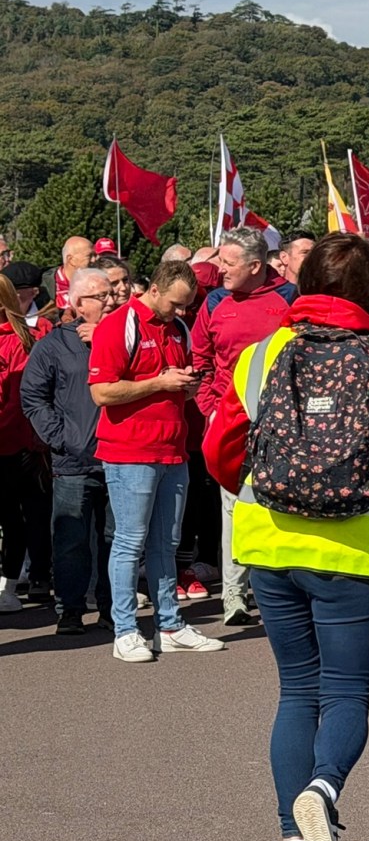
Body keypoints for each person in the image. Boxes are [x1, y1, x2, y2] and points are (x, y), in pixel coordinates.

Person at [204, 232, 369, 841]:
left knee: (295, 691)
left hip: (268, 539)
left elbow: (221, 451)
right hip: (353, 546)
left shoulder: (261, 354)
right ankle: (324, 791)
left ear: (302, 280)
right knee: (344, 694)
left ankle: (289, 838)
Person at [89, 259, 224, 661]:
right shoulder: (119, 325)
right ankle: (125, 629)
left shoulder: (178, 329)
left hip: (172, 449)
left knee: (166, 542)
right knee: (130, 542)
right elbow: (102, 392)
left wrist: (184, 386)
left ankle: (170, 623)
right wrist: (159, 382)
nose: (182, 312)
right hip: (129, 452)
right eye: (176, 304)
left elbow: (169, 388)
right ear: (155, 290)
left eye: (187, 306)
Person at [193, 226, 300, 626]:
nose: (219, 269)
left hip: (282, 425)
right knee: (232, 508)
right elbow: (201, 360)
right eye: (220, 259)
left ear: (256, 266)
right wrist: (211, 409)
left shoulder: (290, 298)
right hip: (230, 423)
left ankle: (279, 588)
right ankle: (234, 596)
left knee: (281, 503)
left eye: (228, 262)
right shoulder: (215, 302)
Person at [20, 268, 116, 631]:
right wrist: (60, 437)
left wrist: (106, 336)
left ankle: (111, 609)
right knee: (71, 540)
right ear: (76, 303)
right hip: (73, 460)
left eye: (112, 294)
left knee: (114, 540)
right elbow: (32, 396)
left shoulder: (120, 335)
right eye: (100, 296)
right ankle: (71, 610)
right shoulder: (53, 346)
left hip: (120, 456)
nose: (110, 301)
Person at [0, 276, 52, 611]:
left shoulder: (25, 340)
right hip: (17, 441)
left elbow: (22, 399)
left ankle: (25, 580)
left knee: (27, 515)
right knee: (13, 517)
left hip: (22, 443)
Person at [52, 236, 92, 313]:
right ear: (71, 260)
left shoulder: (98, 282)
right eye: (89, 256)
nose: (95, 259)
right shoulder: (46, 285)